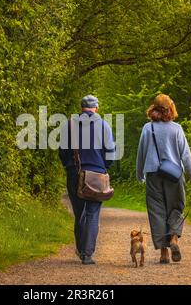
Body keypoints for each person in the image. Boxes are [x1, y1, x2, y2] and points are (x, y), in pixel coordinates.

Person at [136, 94, 191, 264]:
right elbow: (186, 155)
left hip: (153, 175)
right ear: (171, 109)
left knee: (157, 212)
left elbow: (141, 154)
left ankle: (164, 253)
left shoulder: (147, 128)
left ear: (154, 109)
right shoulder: (177, 129)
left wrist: (140, 174)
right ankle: (174, 238)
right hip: (174, 175)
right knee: (176, 208)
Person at [59, 95, 115, 265]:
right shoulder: (104, 125)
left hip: (75, 174)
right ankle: (87, 254)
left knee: (79, 213)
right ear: (96, 108)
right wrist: (102, 166)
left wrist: (70, 167)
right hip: (96, 175)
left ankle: (81, 248)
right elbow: (111, 153)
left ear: (81, 107)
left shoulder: (69, 125)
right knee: (92, 214)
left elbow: (62, 152)